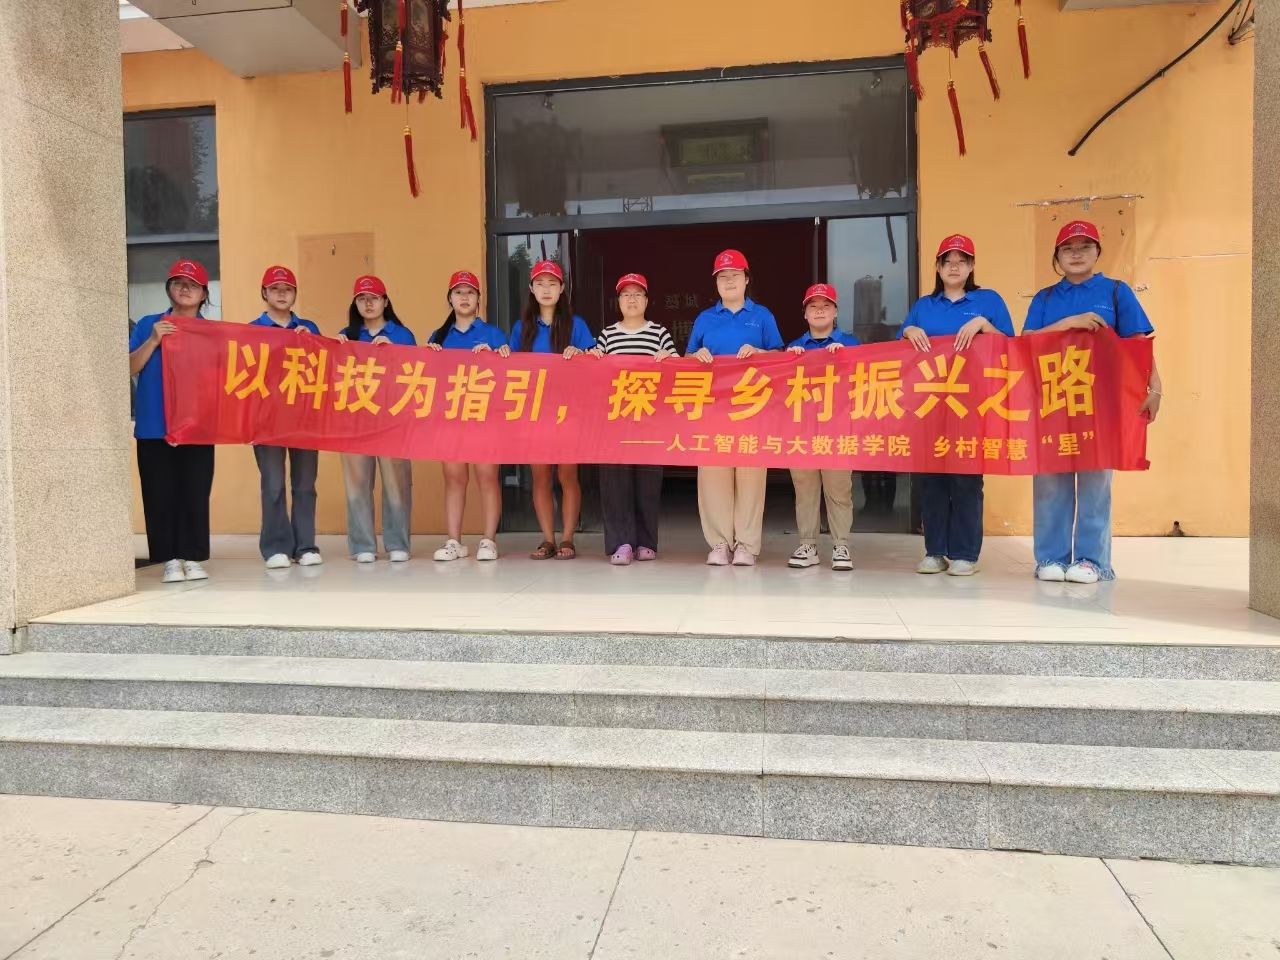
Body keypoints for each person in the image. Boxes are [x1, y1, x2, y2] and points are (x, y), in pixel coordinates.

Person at [1022, 220, 1162, 584]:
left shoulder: (1116, 292)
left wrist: (1155, 386)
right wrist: (1071, 322)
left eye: (1085, 246)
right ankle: (1050, 558)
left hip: (1101, 402)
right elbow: (1026, 342)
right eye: (1068, 248)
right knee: (1049, 481)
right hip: (1052, 400)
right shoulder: (1045, 299)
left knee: (1095, 481)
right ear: (1057, 256)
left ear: (1098, 252)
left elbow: (1138, 345)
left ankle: (1092, 560)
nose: (1076, 254)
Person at [900, 234, 1015, 577]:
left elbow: (1011, 347)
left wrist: (984, 324)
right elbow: (899, 353)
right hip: (930, 405)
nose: (954, 267)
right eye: (947, 261)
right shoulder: (924, 305)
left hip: (973, 405)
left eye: (961, 261)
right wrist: (907, 331)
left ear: (971, 266)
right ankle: (935, 551)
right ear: (937, 267)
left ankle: (965, 554)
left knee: (966, 479)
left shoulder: (988, 300)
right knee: (931, 480)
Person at [688, 249, 784, 566]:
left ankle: (746, 544)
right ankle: (719, 543)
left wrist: (759, 351)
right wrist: (697, 356)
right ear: (716, 283)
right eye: (723, 277)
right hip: (713, 409)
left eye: (735, 275)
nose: (729, 281)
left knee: (751, 479)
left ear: (746, 279)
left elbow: (780, 357)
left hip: (752, 408)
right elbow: (686, 359)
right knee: (713, 477)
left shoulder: (763, 316)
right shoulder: (705, 319)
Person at [128, 259, 217, 584]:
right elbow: (128, 367)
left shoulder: (213, 333)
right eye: (178, 282)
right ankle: (168, 559)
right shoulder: (149, 325)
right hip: (155, 425)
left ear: (204, 294)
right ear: (169, 288)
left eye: (192, 284)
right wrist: (153, 340)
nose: (184, 288)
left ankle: (192, 556)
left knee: (195, 491)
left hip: (197, 427)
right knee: (159, 493)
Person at [587, 273, 678, 565]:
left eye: (638, 294)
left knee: (647, 483)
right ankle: (622, 543)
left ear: (647, 301)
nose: (632, 299)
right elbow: (593, 370)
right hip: (615, 421)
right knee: (615, 484)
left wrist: (668, 359)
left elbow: (679, 369)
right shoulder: (607, 335)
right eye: (626, 294)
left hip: (649, 419)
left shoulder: (660, 333)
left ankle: (647, 542)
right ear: (618, 301)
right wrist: (587, 356)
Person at [509, 259, 596, 560]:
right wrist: (503, 353)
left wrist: (581, 353)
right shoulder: (521, 328)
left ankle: (568, 538)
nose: (546, 289)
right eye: (540, 284)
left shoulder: (577, 325)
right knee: (541, 477)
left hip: (568, 413)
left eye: (552, 284)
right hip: (535, 414)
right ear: (531, 289)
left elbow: (596, 361)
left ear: (562, 289)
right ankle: (547, 539)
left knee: (567, 476)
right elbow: (509, 369)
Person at [427, 270, 509, 562]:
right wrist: (430, 356)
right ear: (449, 299)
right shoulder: (438, 336)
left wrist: (496, 356)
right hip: (451, 418)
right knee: (454, 479)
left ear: (478, 299)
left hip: (485, 418)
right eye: (458, 292)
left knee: (487, 477)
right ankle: (454, 541)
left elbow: (510, 377)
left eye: (470, 292)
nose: (464, 297)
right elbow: (429, 379)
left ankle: (488, 540)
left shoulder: (494, 334)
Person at [338, 275, 417, 563]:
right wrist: (336, 350)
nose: (368, 303)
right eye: (362, 298)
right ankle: (363, 545)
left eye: (374, 298)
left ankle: (398, 543)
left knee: (397, 484)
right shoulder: (347, 336)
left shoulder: (403, 335)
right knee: (357, 485)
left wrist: (393, 352)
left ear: (385, 301)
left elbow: (415, 374)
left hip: (392, 420)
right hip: (355, 420)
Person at [248, 265, 323, 570]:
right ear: (264, 293)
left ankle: (305, 546)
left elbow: (326, 369)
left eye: (287, 289)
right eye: (275, 289)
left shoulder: (309, 328)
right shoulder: (251, 331)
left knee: (305, 484)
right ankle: (276, 547)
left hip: (304, 419)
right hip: (266, 420)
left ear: (295, 294)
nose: (281, 294)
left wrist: (312, 343)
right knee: (273, 484)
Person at [784, 283, 860, 571]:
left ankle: (841, 546)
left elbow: (867, 381)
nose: (819, 311)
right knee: (805, 490)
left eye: (825, 306)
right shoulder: (794, 347)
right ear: (804, 313)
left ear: (835, 311)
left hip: (838, 429)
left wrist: (846, 359)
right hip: (801, 431)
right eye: (813, 306)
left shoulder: (851, 344)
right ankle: (808, 545)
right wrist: (788, 361)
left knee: (839, 490)